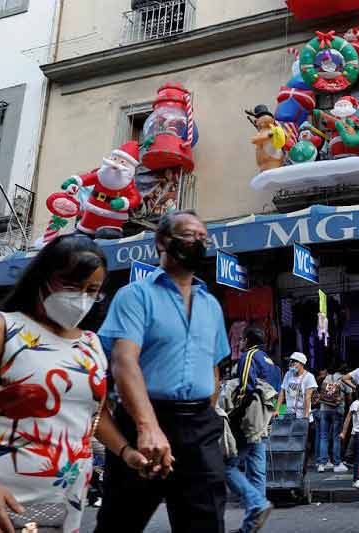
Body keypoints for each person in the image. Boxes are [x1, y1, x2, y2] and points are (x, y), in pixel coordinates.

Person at [0, 235, 149, 533]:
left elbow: (93, 414)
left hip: (62, 501)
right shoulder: (0, 329)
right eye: (71, 286)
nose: (81, 298)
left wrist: (127, 451)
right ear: (42, 279)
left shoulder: (90, 344)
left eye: (92, 291)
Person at [95, 211, 229, 533]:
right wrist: (148, 426)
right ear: (161, 242)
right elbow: (123, 361)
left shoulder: (211, 305)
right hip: (145, 420)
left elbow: (213, 366)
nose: (197, 242)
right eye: (187, 235)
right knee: (121, 520)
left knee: (205, 522)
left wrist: (205, 415)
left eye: (202, 237)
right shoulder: (135, 296)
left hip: (199, 429)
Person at [225, 326, 281, 533]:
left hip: (248, 420)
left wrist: (233, 415)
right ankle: (251, 526)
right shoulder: (271, 363)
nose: (238, 343)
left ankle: (256, 504)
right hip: (264, 422)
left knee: (227, 466)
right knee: (257, 471)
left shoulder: (249, 356)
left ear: (247, 340)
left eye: (240, 340)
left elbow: (244, 389)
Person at [317, 367, 348, 473]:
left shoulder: (327, 378)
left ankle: (322, 464)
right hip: (337, 410)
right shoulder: (344, 379)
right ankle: (336, 464)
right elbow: (349, 394)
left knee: (323, 436)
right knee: (336, 437)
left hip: (324, 409)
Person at [275, 353, 317, 421]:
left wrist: (306, 416)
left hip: (302, 415)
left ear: (301, 363)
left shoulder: (309, 377)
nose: (291, 364)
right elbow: (282, 392)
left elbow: (308, 397)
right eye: (290, 361)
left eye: (294, 361)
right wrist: (277, 410)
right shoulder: (288, 374)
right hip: (289, 415)